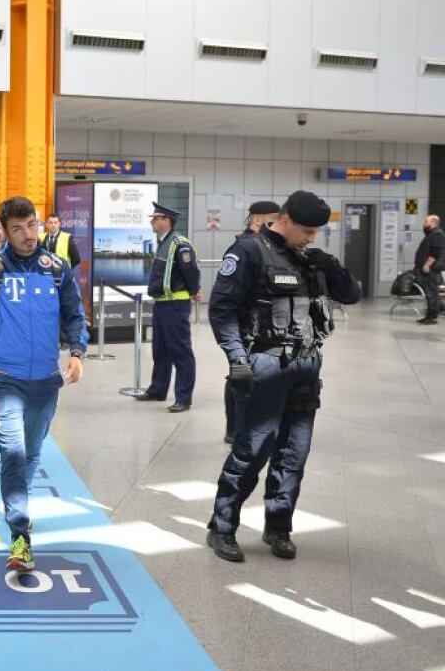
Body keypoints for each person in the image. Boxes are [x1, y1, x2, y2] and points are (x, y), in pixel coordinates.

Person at [205, 191, 361, 562]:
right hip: (265, 365)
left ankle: (278, 527)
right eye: (306, 230)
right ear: (284, 218)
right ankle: (222, 527)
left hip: (306, 367)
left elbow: (352, 295)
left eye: (317, 232)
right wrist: (236, 359)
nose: (311, 238)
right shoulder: (249, 251)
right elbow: (222, 309)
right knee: (252, 450)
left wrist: (331, 265)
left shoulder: (312, 259)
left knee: (295, 452)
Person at [0, 197, 88, 570]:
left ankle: (20, 507)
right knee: (13, 456)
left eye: (31, 225)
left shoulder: (57, 269)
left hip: (46, 381)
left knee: (31, 453)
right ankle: (20, 535)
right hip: (4, 378)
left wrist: (77, 352)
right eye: (17, 229)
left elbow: (75, 317)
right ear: (5, 231)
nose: (28, 234)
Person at [132, 202, 201, 413]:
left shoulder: (180, 244)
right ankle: (157, 390)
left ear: (166, 220)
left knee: (181, 352)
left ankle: (183, 398)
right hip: (162, 304)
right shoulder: (163, 242)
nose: (152, 221)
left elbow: (191, 272)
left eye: (155, 218)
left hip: (176, 305)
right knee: (160, 351)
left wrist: (194, 290)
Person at [222, 200, 281, 444]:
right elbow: (226, 298)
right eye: (273, 220)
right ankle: (234, 427)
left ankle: (261, 426)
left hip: (270, 326)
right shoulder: (242, 248)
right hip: (245, 326)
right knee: (240, 376)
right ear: (258, 221)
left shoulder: (273, 246)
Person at [413, 214, 444, 325]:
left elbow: (435, 252)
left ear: (433, 223)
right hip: (428, 269)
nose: (424, 223)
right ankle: (430, 315)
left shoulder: (437, 234)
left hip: (431, 269)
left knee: (431, 293)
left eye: (426, 221)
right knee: (430, 293)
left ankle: (432, 317)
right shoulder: (431, 234)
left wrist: (427, 265)